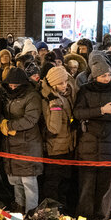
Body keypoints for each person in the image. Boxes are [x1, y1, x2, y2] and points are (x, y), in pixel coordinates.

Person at [73, 52, 111, 219]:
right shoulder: (85, 90)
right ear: (95, 76)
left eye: (109, 74)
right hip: (88, 146)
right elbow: (78, 113)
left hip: (109, 145)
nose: (107, 78)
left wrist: (92, 116)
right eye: (103, 75)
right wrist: (102, 110)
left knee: (105, 190)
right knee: (86, 189)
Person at [0, 67, 43, 213]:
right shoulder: (6, 96)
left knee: (28, 181)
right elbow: (1, 113)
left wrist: (9, 125)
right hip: (11, 144)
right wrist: (2, 122)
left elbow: (31, 119)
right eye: (10, 85)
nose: (12, 88)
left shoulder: (32, 96)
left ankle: (31, 212)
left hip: (27, 144)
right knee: (16, 181)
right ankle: (19, 209)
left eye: (15, 86)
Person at [39, 65, 76, 208]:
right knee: (53, 183)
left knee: (64, 183)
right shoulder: (51, 99)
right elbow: (54, 127)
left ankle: (62, 211)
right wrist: (55, 109)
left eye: (65, 81)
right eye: (61, 83)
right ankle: (51, 211)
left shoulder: (63, 96)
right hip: (55, 148)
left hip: (66, 146)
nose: (64, 85)